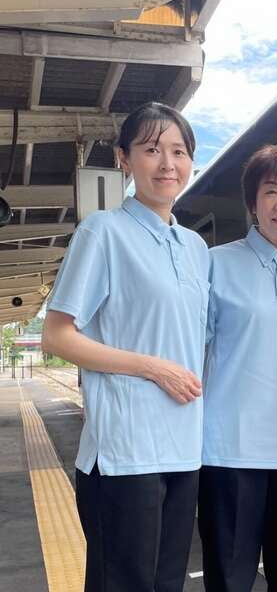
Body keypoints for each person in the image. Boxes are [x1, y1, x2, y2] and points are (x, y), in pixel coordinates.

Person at [42, 102, 209, 592]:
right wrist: (152, 367)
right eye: (152, 149)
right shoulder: (104, 231)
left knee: (167, 584)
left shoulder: (195, 248)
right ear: (124, 159)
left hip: (183, 448)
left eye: (179, 151)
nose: (167, 163)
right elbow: (58, 335)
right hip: (125, 452)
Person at [198, 145, 277, 592]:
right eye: (270, 192)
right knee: (229, 581)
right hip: (228, 451)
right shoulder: (215, 264)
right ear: (253, 203)